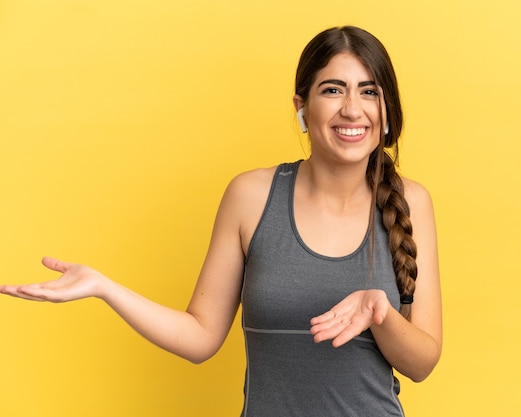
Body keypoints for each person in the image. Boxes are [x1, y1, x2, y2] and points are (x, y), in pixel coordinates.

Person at [0, 26, 442, 416]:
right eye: (332, 89)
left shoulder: (413, 202)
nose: (352, 109)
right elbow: (200, 337)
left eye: (369, 91)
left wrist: (381, 312)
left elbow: (422, 363)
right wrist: (103, 286)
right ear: (302, 106)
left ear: (386, 110)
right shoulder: (251, 196)